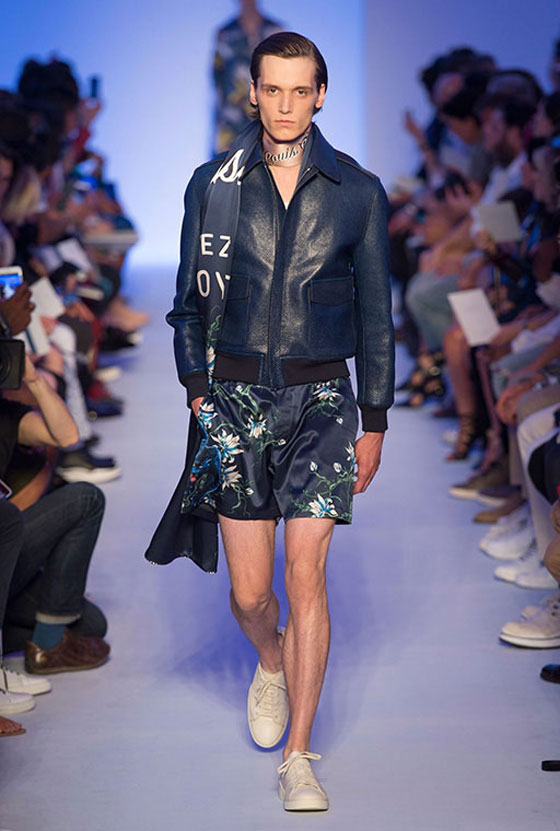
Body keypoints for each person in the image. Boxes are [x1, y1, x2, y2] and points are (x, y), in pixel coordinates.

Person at [159, 32, 394, 812]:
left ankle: (299, 754)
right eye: (274, 89)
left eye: (301, 90)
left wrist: (375, 417)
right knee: (253, 594)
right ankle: (271, 659)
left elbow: (377, 318)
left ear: (321, 95)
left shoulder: (359, 192)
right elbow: (188, 304)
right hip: (234, 401)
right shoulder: (214, 186)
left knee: (306, 576)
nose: (287, 105)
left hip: (323, 398)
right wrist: (198, 390)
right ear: (252, 92)